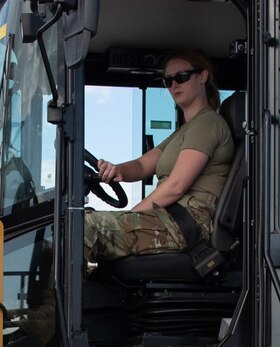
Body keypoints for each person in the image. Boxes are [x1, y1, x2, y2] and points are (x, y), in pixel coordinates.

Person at [84, 50, 235, 262]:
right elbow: (141, 165)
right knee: (78, 221)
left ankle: (54, 296)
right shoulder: (183, 131)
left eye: (181, 77)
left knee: (83, 228)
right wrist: (116, 170)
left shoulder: (208, 123)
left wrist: (131, 215)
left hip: (190, 223)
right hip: (171, 218)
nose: (174, 85)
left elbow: (176, 187)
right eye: (168, 81)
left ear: (203, 76)